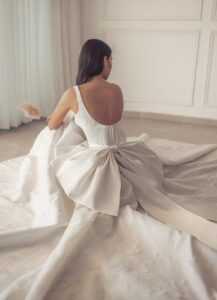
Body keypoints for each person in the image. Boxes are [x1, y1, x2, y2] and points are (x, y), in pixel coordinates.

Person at [1, 38, 217, 299]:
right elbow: (109, 125)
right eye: (110, 59)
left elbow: (52, 125)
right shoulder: (116, 90)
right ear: (101, 60)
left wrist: (66, 115)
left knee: (56, 140)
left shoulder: (73, 93)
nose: (112, 64)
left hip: (95, 161)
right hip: (121, 154)